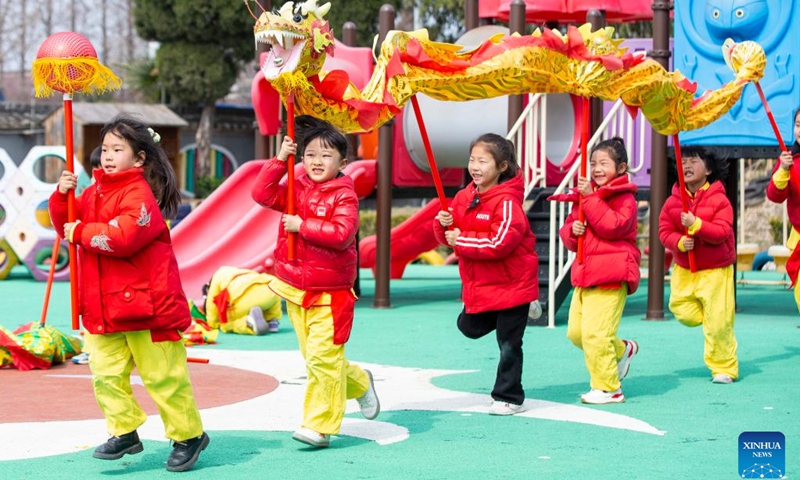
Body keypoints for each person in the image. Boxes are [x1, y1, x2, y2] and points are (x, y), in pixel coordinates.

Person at [49, 114, 210, 471]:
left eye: (117, 149)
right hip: (105, 306)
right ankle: (125, 429)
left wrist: (80, 232)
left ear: (138, 159)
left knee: (163, 376)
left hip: (148, 306)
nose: (107, 155)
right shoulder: (90, 193)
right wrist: (62, 196)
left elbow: (120, 238)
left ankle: (188, 434)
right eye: (105, 148)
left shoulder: (140, 197)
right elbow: (65, 224)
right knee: (105, 374)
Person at [251, 116, 379, 448]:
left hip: (331, 292)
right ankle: (360, 383)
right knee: (317, 359)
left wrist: (301, 225)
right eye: (309, 155)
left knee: (322, 359)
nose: (316, 162)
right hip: (294, 286)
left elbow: (341, 234)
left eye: (326, 155)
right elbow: (261, 194)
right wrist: (280, 159)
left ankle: (318, 426)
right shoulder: (296, 188)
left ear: (342, 162)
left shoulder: (344, 194)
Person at [433, 133, 539, 416]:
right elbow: (449, 237)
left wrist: (460, 240)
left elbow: (499, 243)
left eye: (483, 161)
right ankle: (525, 312)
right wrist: (442, 224)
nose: (475, 166)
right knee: (468, 326)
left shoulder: (507, 203)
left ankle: (509, 396)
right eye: (472, 160)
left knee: (508, 343)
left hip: (513, 285)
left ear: (502, 167)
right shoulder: (464, 196)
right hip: (485, 286)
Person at [548, 137, 640, 405]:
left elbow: (613, 226)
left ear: (621, 168)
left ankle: (608, 387)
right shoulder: (585, 196)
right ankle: (621, 351)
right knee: (577, 333)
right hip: (586, 273)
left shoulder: (625, 198)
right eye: (593, 163)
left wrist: (589, 198)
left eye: (604, 163)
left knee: (596, 335)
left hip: (612, 274)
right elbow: (568, 232)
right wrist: (571, 232)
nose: (597, 168)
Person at [659, 145, 738, 384]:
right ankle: (713, 317)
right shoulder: (673, 200)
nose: (686, 166)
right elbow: (664, 231)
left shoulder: (719, 199)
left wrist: (696, 225)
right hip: (685, 269)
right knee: (680, 308)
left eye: (693, 161)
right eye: (682, 162)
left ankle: (723, 367)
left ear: (709, 169)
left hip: (716, 269)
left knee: (719, 324)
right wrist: (680, 242)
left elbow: (722, 232)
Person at [767, 106, 800, 310]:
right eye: (798, 125)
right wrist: (783, 169)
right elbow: (774, 196)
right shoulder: (789, 161)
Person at [202, 266, 283, 335]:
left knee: (225, 324)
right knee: (272, 295)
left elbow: (211, 305)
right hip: (271, 288)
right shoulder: (240, 272)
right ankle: (272, 321)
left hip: (242, 298)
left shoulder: (217, 275)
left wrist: (213, 324)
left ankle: (248, 322)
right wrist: (274, 315)